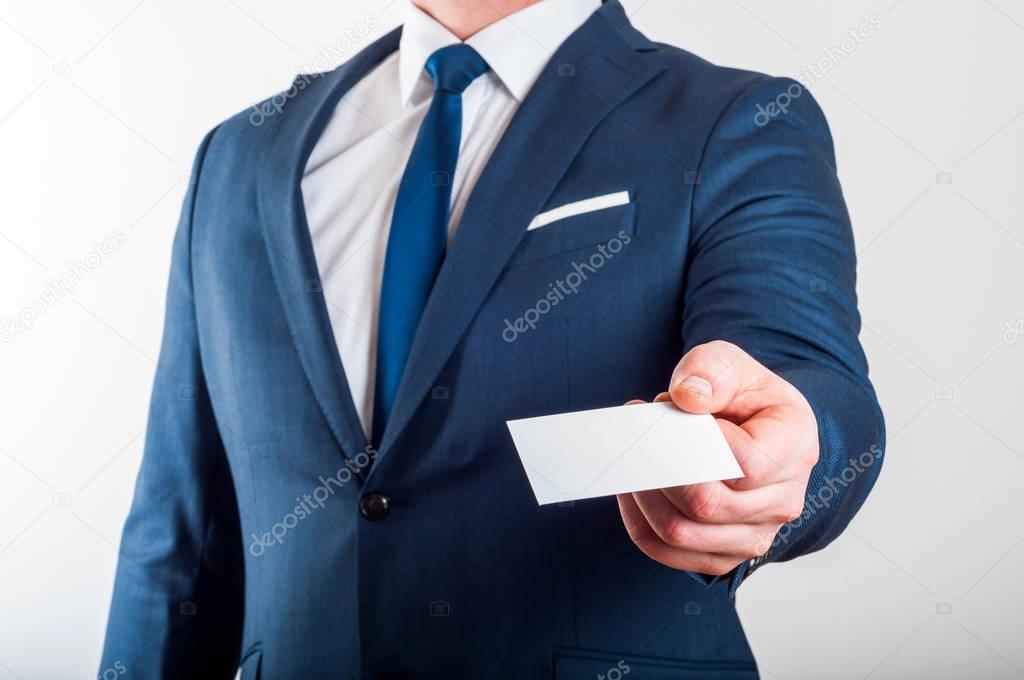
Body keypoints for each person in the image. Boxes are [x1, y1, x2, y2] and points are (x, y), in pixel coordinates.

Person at [100, 0, 885, 677]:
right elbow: (180, 537)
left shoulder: (733, 120)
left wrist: (791, 449)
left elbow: (805, 375)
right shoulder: (240, 156)